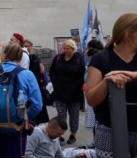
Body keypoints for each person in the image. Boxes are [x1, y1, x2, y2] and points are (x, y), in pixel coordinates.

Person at [86, 13, 137, 158]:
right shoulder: (101, 59)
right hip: (109, 130)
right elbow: (91, 99)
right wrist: (107, 81)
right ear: (128, 35)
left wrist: (133, 75)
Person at [49, 39, 85, 145]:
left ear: (73, 49)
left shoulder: (78, 59)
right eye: (64, 48)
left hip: (74, 93)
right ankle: (60, 135)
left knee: (74, 115)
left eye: (68, 49)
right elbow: (52, 71)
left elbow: (81, 75)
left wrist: (75, 87)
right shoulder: (58, 58)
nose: (65, 50)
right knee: (61, 115)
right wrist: (55, 84)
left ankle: (73, 134)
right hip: (59, 92)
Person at [25, 39, 50, 124]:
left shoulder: (34, 57)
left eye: (28, 46)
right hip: (30, 83)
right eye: (25, 46)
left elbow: (42, 70)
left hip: (36, 83)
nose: (27, 47)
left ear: (31, 47)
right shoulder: (28, 57)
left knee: (37, 102)